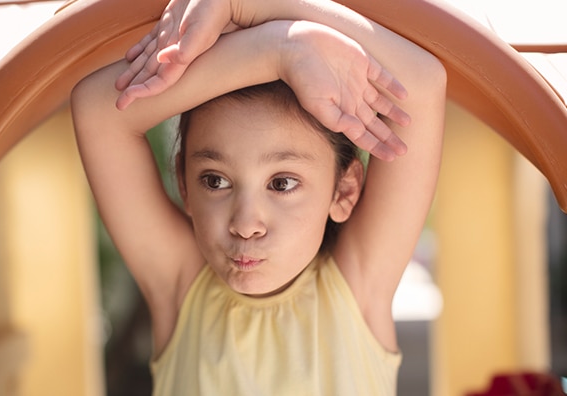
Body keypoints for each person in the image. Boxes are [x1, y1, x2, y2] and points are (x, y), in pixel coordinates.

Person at [71, 0, 446, 394]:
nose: (245, 223)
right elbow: (97, 113)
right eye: (215, 181)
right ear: (183, 181)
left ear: (344, 189)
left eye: (282, 184)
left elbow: (420, 85)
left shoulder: (357, 289)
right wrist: (276, 51)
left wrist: (252, 6)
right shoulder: (180, 288)